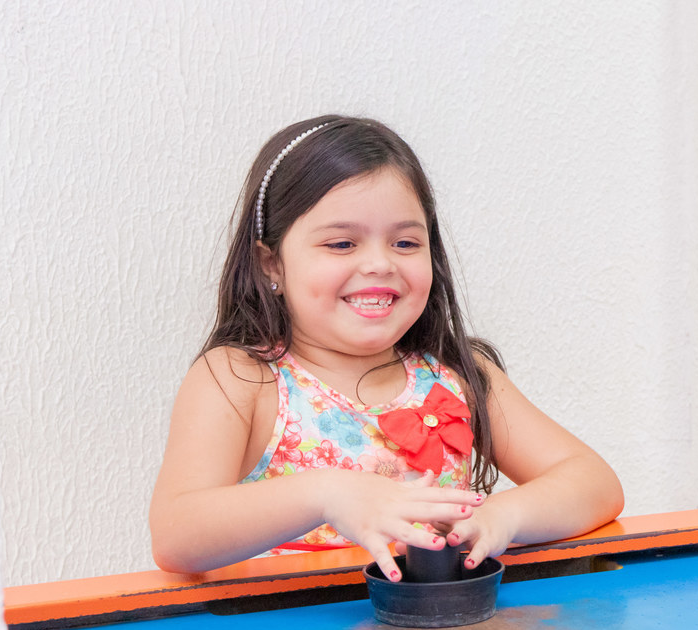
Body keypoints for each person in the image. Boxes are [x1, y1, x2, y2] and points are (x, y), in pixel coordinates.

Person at [150, 115, 623, 581]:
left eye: (404, 242)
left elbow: (594, 483)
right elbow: (176, 534)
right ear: (271, 264)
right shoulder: (240, 377)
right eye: (340, 243)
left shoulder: (458, 373)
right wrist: (327, 495)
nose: (379, 264)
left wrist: (502, 517)